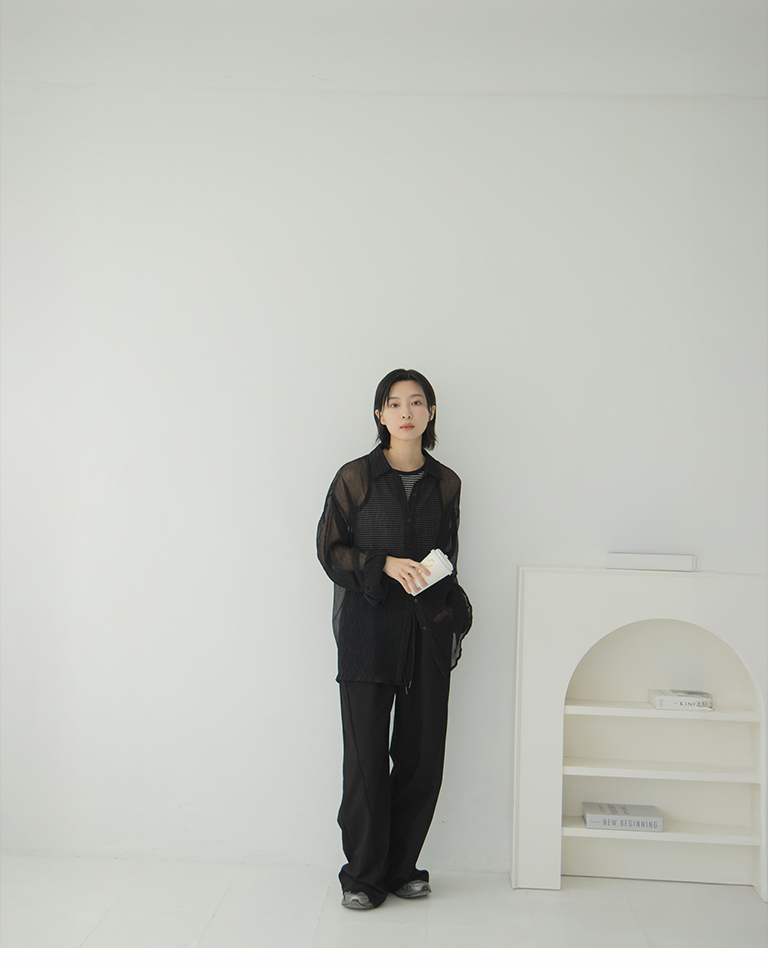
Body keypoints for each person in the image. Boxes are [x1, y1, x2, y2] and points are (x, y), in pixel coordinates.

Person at [316, 368, 472, 910]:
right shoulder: (355, 477)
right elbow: (330, 551)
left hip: (425, 630)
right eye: (395, 403)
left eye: (417, 402)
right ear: (380, 414)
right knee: (364, 760)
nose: (407, 412)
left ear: (431, 413)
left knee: (422, 755)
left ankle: (403, 867)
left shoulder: (447, 483)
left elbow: (449, 555)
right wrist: (381, 563)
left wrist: (447, 605)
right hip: (367, 631)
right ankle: (363, 876)